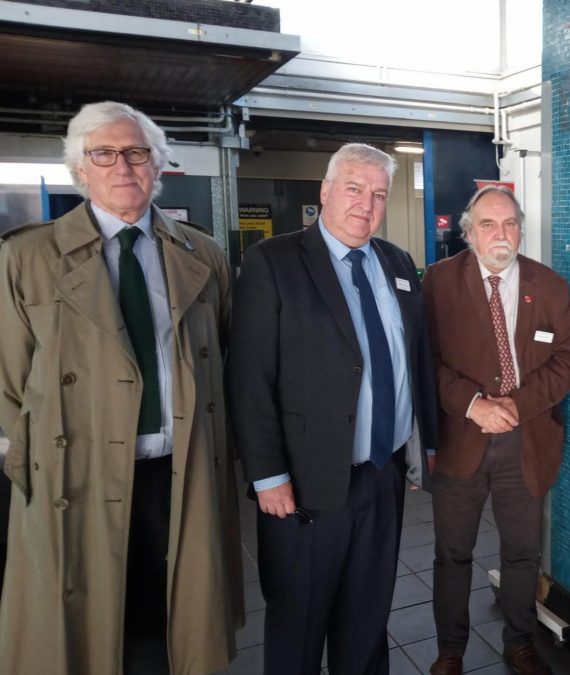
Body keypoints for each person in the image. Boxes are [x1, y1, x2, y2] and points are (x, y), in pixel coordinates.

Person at [0, 101, 243, 674]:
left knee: (173, 625)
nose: (122, 167)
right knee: (88, 633)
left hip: (179, 472)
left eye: (136, 153)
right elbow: (7, 385)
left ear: (157, 166)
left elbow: (221, 358)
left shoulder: (201, 254)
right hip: (76, 479)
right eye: (103, 154)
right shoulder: (27, 257)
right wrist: (32, 464)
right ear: (80, 169)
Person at [227, 143, 437, 675]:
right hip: (305, 482)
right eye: (353, 188)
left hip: (383, 473)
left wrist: (419, 443)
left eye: (379, 194)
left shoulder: (398, 262)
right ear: (325, 191)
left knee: (367, 622)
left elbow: (414, 358)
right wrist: (267, 475)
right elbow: (249, 378)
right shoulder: (272, 262)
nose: (366, 204)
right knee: (298, 626)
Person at [422, 186, 570, 675]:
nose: (501, 233)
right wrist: (473, 405)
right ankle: (449, 651)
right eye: (489, 224)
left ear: (521, 228)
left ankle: (520, 642)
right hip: (461, 438)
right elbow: (423, 359)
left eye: (510, 223)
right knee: (453, 554)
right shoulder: (438, 281)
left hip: (525, 439)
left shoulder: (549, 285)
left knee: (521, 551)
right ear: (469, 233)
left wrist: (516, 404)